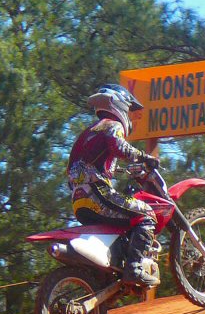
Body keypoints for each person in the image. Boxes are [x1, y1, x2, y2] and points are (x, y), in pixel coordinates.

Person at [67, 84, 161, 287]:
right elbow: (119, 146)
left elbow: (88, 164)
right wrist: (145, 157)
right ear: (120, 104)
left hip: (78, 202)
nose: (130, 115)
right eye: (129, 109)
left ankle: (111, 274)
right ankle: (134, 268)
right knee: (147, 214)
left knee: (123, 223)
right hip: (97, 194)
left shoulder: (87, 133)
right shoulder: (112, 125)